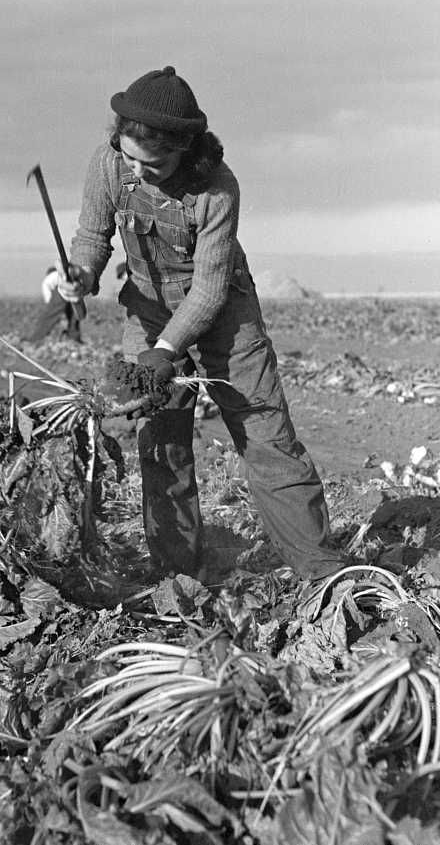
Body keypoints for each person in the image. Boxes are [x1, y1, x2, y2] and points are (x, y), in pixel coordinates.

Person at [58, 66, 343, 581]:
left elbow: (208, 290)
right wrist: (81, 273)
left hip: (225, 314)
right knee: (161, 442)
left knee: (265, 436)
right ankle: (177, 577)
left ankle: (322, 574)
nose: (139, 171)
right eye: (130, 158)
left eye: (156, 163)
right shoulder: (106, 165)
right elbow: (92, 235)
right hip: (147, 308)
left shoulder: (218, 189)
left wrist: (164, 353)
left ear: (185, 147)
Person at [27, 266, 82, 343]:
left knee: (48, 317)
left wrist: (56, 312)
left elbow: (50, 302)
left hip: (61, 289)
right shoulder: (58, 275)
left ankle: (36, 338)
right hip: (72, 287)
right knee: (73, 314)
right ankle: (74, 339)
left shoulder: (46, 281)